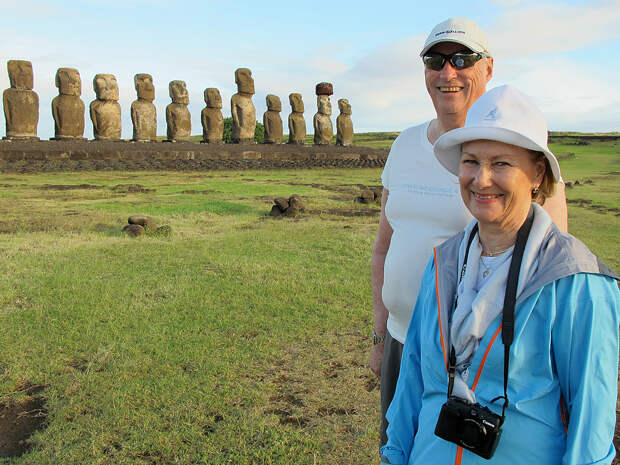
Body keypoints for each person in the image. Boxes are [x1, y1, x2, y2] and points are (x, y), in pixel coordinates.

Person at [379, 85, 620, 465]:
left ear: (537, 174)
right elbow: (412, 380)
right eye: (471, 161)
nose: (481, 179)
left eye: (502, 164)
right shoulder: (443, 264)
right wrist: (393, 457)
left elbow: (591, 423)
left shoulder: (576, 282)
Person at [370, 17, 568, 447]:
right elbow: (384, 248)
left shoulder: (520, 152)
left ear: (489, 68)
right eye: (435, 60)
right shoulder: (403, 145)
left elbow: (552, 277)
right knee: (399, 445)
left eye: (462, 59)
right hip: (403, 340)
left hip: (475, 358)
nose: (448, 72)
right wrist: (380, 334)